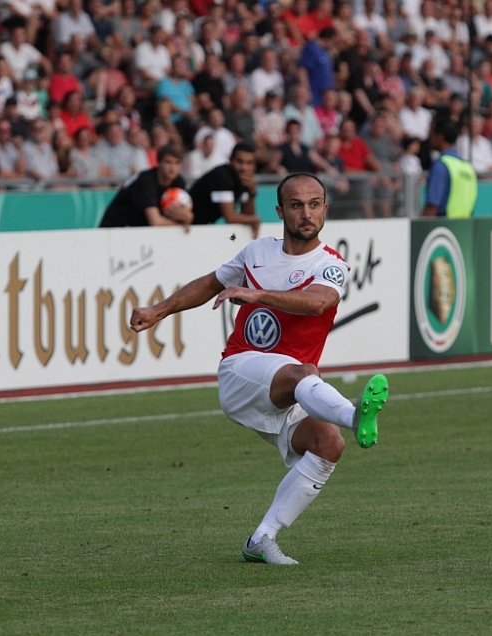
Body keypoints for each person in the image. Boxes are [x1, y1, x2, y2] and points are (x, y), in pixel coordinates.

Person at [128, 173, 389, 565]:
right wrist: (158, 310)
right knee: (304, 372)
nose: (306, 214)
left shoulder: (331, 265)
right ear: (280, 211)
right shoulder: (256, 252)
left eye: (314, 205)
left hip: (290, 390)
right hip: (242, 370)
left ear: (325, 209)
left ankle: (262, 538)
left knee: (328, 445)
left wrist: (258, 294)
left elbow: (317, 303)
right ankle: (355, 416)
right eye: (297, 206)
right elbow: (210, 283)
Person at [98, 143, 193, 228]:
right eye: (168, 162)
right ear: (159, 163)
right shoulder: (146, 180)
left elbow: (183, 214)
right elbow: (155, 222)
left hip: (139, 227)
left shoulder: (178, 182)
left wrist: (187, 216)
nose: (172, 168)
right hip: (116, 228)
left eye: (177, 163)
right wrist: (181, 224)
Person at [187, 142, 262, 237]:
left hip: (197, 227)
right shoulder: (222, 176)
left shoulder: (244, 180)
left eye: (249, 163)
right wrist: (255, 219)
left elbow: (247, 214)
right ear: (230, 160)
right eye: (240, 162)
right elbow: (230, 218)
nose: (244, 168)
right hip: (185, 226)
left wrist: (251, 191)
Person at [422, 118, 477, 218]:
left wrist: (421, 225)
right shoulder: (468, 167)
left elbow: (432, 206)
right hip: (465, 225)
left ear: (440, 136)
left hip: (444, 225)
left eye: (431, 132)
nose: (428, 135)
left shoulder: (441, 165)